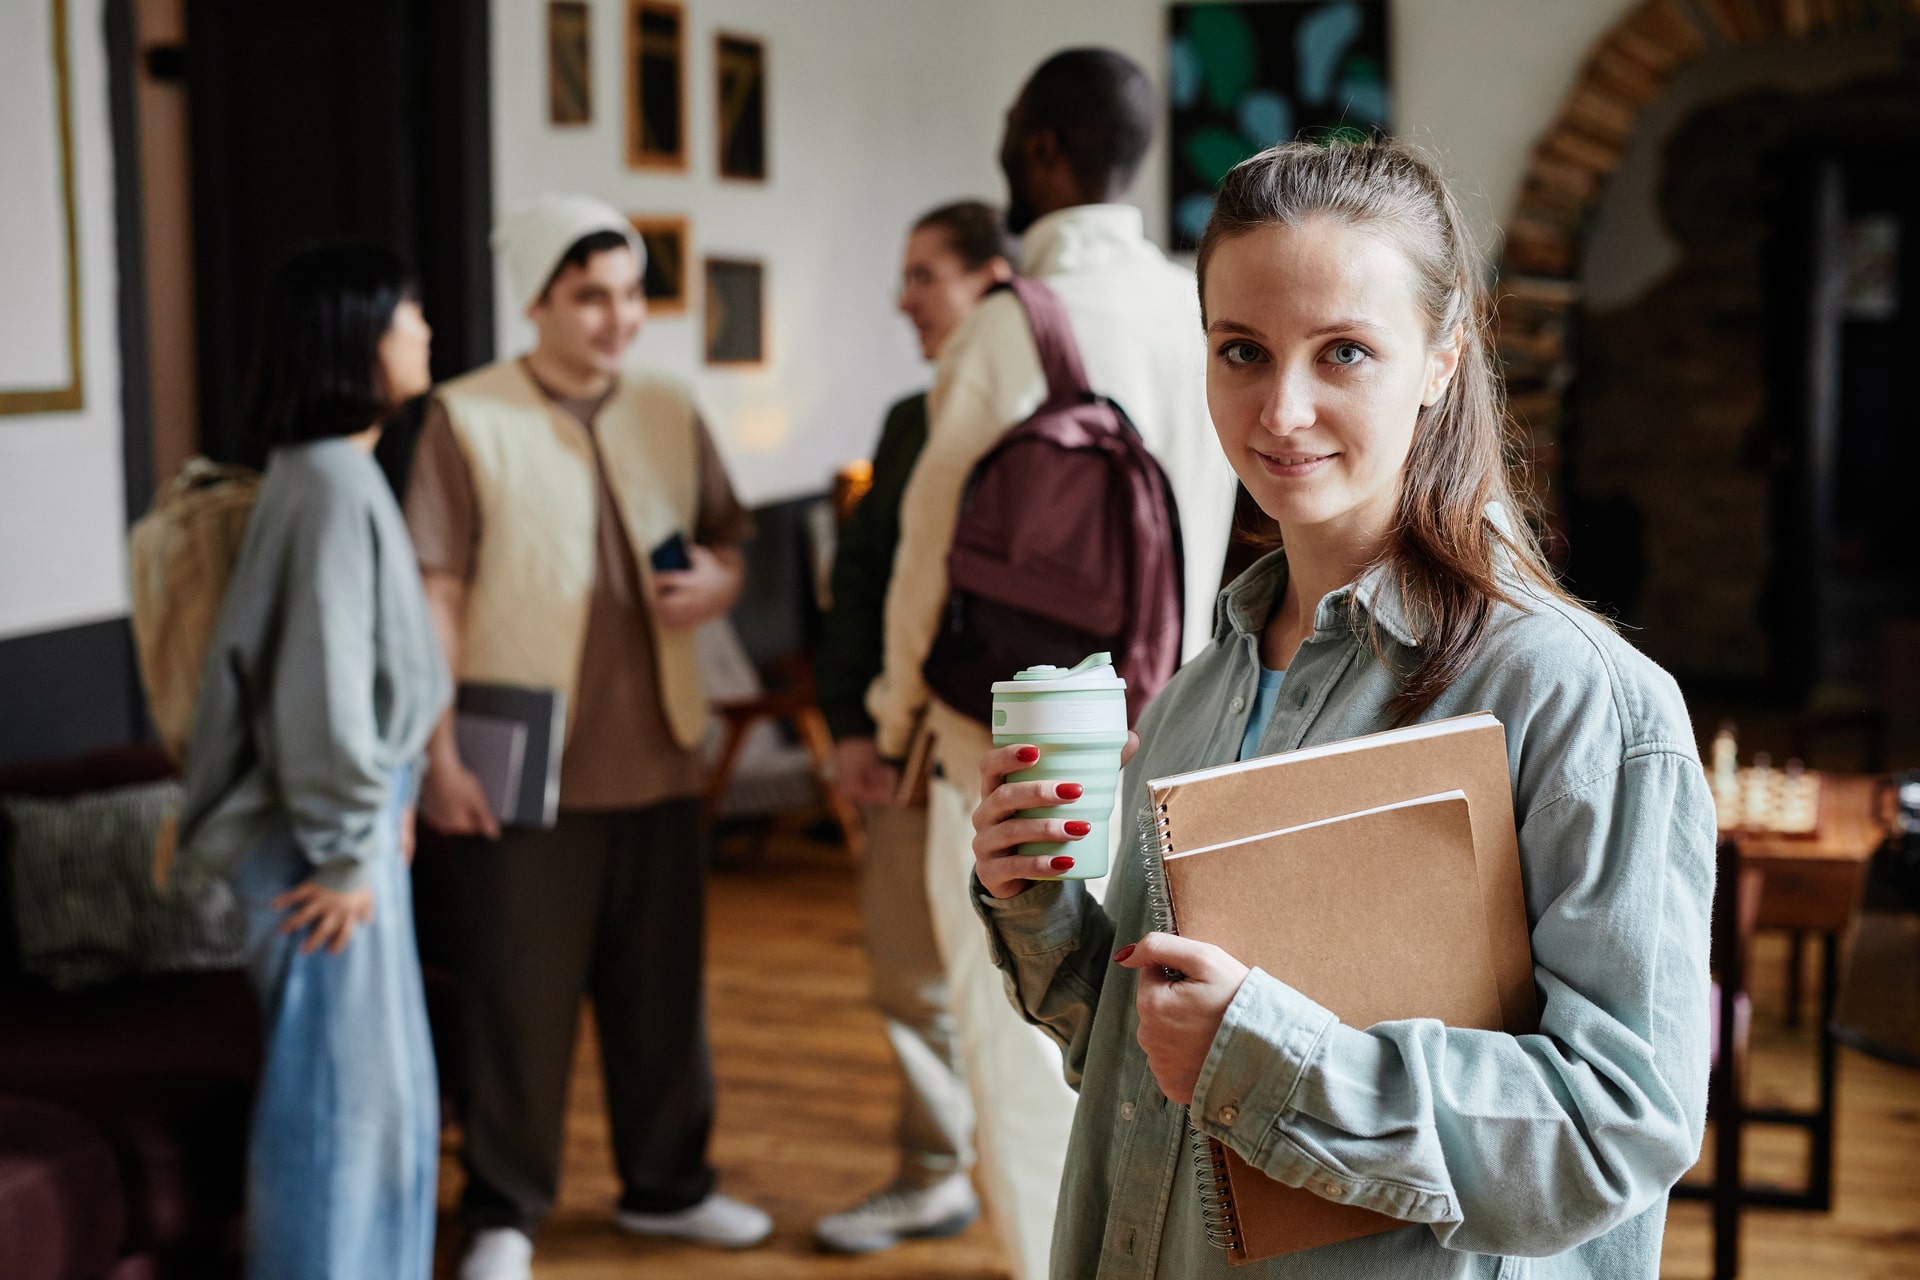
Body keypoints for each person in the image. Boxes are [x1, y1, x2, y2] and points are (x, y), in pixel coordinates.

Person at [968, 138, 1714, 1277]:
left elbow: (1617, 1125)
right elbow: (1149, 1075)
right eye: (1242, 350)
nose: (1283, 407)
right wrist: (1039, 908)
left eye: (1345, 351)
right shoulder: (1197, 689)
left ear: (1442, 357)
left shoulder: (1578, 702)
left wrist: (1277, 1058)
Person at [862, 47, 1239, 1279]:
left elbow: (925, 547)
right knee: (1145, 1025)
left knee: (1018, 1034)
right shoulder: (1198, 307)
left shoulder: (1011, 323)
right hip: (1174, 721)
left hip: (1014, 742)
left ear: (1039, 148)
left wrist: (889, 713)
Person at [403, 195, 767, 1280]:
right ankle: (505, 1210)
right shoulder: (462, 417)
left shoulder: (667, 405)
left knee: (663, 989)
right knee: (518, 992)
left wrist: (720, 584)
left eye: (630, 293)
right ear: (536, 300)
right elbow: (438, 595)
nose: (619, 318)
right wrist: (436, 755)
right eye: (590, 296)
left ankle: (669, 1186)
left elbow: (726, 545)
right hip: (520, 761)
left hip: (658, 746)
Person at [175, 243, 451, 1280]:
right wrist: (346, 849)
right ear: (355, 339)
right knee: (340, 1122)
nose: (425, 331)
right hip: (315, 855)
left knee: (368, 1109)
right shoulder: (332, 483)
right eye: (407, 315)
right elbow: (324, 695)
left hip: (341, 836)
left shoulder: (331, 472)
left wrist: (388, 810)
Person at [812, 200, 1016, 1255]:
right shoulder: (906, 420)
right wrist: (851, 719)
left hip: (1016, 747)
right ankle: (935, 1170)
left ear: (990, 280)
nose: (903, 300)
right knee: (906, 969)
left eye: (923, 276)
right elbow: (864, 581)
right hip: (903, 745)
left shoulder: (1036, 407)